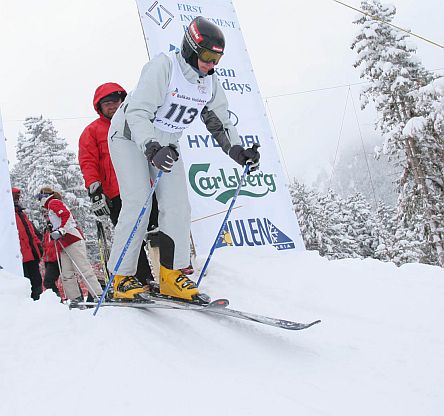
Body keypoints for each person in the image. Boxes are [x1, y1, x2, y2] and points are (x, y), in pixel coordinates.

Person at [107, 16, 260, 301]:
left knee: (178, 206)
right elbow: (137, 113)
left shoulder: (209, 83)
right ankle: (121, 277)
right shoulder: (164, 67)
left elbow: (220, 121)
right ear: (190, 48)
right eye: (206, 56)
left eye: (216, 59)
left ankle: (171, 275)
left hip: (166, 142)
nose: (211, 64)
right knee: (139, 201)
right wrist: (151, 148)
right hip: (129, 137)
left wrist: (238, 151)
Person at [78, 82, 157, 286]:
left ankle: (166, 273)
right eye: (107, 103)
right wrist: (95, 190)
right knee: (132, 235)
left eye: (116, 101)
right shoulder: (92, 131)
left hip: (144, 187)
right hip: (116, 193)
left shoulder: (135, 122)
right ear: (100, 107)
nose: (112, 106)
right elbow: (88, 162)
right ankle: (141, 278)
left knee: (157, 229)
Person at [36, 187, 103, 304]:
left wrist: (61, 230)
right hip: (63, 243)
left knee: (83, 268)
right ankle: (75, 298)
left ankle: (98, 294)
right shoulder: (50, 207)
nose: (39, 201)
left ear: (44, 196)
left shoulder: (53, 202)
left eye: (39, 198)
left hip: (72, 239)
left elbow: (67, 216)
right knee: (66, 273)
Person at [12, 187, 43, 300]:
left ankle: (38, 304)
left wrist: (38, 248)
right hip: (20, 257)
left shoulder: (21, 213)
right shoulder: (9, 215)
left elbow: (32, 233)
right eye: (16, 196)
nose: (18, 199)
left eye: (18, 197)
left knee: (36, 281)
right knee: (26, 282)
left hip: (31, 254)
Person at [41, 214, 60, 298]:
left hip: (57, 258)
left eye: (47, 214)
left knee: (48, 281)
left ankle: (57, 300)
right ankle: (57, 300)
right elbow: (46, 244)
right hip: (50, 259)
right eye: (44, 215)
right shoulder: (46, 229)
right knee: (48, 282)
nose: (46, 217)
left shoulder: (56, 226)